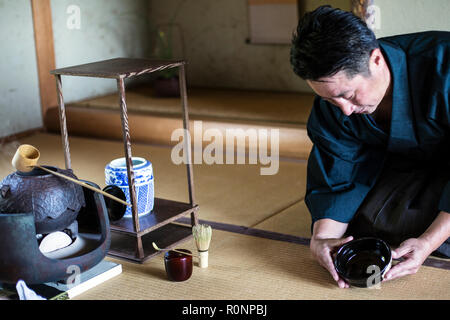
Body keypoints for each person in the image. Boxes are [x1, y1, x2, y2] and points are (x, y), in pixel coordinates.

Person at [290, 5, 450, 288]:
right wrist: (322, 240)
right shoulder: (336, 107)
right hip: (407, 166)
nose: (345, 110)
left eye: (349, 94)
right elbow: (336, 174)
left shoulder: (443, 65)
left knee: (424, 232)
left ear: (375, 59)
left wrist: (428, 241)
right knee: (360, 230)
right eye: (331, 100)